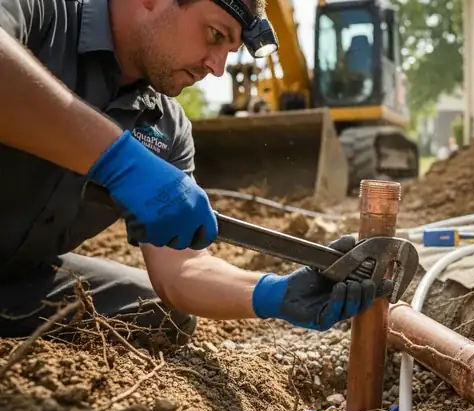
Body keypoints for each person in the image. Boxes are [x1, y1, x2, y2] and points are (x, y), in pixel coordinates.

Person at [0, 0, 393, 346]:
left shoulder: (168, 130)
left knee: (157, 314)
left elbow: (182, 269)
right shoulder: (42, 13)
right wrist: (117, 159)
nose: (218, 68)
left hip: (16, 281)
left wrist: (273, 293)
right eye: (214, 34)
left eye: (230, 49)